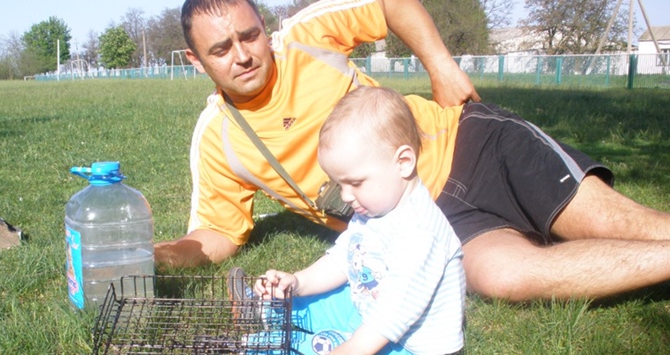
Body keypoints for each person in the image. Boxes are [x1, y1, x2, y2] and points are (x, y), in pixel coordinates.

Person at [155, 0, 670, 303]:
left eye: (249, 36)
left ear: (264, 29)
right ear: (195, 60)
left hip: (473, 144)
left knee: (626, 224)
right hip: (425, 224)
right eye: (221, 49)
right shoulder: (218, 137)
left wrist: (440, 65)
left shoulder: (308, 36)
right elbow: (218, 232)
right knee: (505, 277)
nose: (243, 55)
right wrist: (156, 256)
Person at [243, 86, 464, 355]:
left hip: (408, 343)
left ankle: (253, 353)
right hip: (365, 305)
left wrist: (356, 347)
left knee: (327, 346)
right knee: (313, 301)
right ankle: (265, 308)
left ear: (403, 163)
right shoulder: (375, 208)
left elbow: (398, 308)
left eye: (355, 183)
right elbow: (343, 260)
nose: (345, 196)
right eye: (339, 183)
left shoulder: (420, 232)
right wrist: (299, 281)